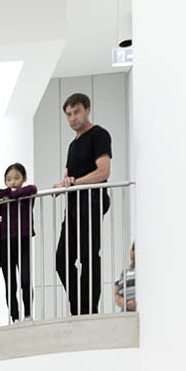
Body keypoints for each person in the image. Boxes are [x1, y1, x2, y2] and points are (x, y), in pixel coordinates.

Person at [53, 94, 114, 315]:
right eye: (68, 114)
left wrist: (75, 182)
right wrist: (64, 184)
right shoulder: (72, 145)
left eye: (76, 112)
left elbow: (104, 171)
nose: (72, 118)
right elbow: (68, 175)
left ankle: (89, 309)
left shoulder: (99, 135)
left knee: (89, 257)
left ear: (87, 109)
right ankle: (78, 305)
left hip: (93, 201)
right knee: (62, 260)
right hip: (73, 205)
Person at [0, 163, 36, 325]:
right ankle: (15, 316)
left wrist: (11, 195)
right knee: (10, 282)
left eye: (16, 178)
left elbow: (32, 189)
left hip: (23, 239)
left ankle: (27, 313)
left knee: (25, 279)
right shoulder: (3, 195)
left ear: (23, 178)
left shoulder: (26, 193)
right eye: (9, 179)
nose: (13, 182)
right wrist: (7, 192)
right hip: (5, 242)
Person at [112, 242, 137, 313]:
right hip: (126, 313)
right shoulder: (124, 273)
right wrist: (125, 303)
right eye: (134, 248)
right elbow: (116, 294)